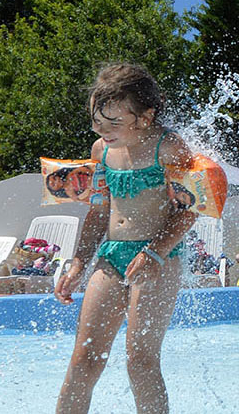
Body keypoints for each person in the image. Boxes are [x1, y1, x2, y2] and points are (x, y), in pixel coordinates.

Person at [53, 62, 198, 414]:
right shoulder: (100, 151)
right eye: (96, 121)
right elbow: (99, 212)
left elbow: (190, 210)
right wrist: (78, 264)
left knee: (141, 360)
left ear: (145, 117)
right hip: (112, 254)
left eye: (113, 123)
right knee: (84, 358)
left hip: (157, 257)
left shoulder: (168, 148)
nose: (102, 130)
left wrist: (155, 252)